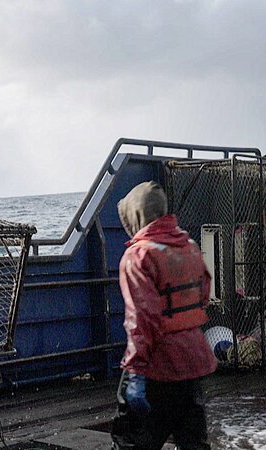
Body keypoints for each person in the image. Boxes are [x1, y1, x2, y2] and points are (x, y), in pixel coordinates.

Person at [112, 182, 217, 450]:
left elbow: (141, 319)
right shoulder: (189, 245)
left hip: (156, 365)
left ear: (135, 215)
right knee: (193, 443)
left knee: (130, 442)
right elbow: (204, 294)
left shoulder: (138, 256)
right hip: (193, 361)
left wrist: (135, 371)